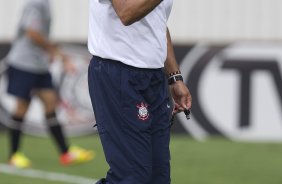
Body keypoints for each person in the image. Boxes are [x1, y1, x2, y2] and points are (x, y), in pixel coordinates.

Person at [88, 0, 192, 183]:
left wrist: (175, 77)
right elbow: (127, 13)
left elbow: (158, 25)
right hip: (118, 73)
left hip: (154, 77)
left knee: (158, 176)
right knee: (132, 176)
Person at [5, 0, 94, 168]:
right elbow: (32, 33)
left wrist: (49, 53)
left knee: (50, 105)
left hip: (39, 65)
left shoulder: (44, 3)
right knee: (21, 108)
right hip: (24, 63)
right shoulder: (37, 3)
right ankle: (14, 156)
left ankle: (66, 153)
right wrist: (54, 51)